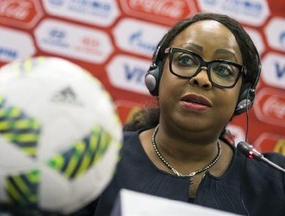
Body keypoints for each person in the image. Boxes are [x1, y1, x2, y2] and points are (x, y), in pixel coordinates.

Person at [93, 12, 285, 216]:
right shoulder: (100, 157)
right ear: (157, 73)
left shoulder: (276, 181)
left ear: (243, 97)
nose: (202, 79)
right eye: (186, 59)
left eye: (223, 69)